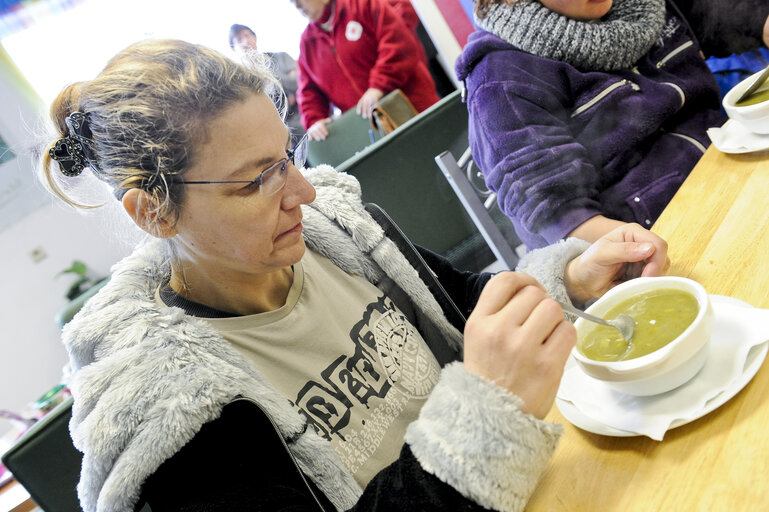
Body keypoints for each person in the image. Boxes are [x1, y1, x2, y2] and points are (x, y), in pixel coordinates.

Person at [41, 39, 669, 511]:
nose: (305, 193)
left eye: (290, 158)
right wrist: (488, 410)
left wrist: (570, 280)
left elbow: (459, 309)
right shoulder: (169, 411)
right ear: (152, 211)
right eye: (257, 180)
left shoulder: (334, 233)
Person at [455, 0, 757, 250]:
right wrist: (639, 250)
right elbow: (557, 212)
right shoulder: (500, 80)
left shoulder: (644, 6)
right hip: (659, 235)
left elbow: (717, 14)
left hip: (732, 178)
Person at [291, 0, 440, 141]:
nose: (297, 5)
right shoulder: (307, 44)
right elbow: (308, 92)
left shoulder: (363, 5)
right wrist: (315, 121)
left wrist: (378, 86)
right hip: (373, 133)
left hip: (415, 108)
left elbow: (397, 43)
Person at [228, 23, 305, 139]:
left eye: (247, 36)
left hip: (304, 115)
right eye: (239, 40)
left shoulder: (281, 58)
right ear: (233, 47)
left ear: (254, 37)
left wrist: (272, 77)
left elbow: (300, 82)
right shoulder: (240, 80)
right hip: (278, 133)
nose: (245, 42)